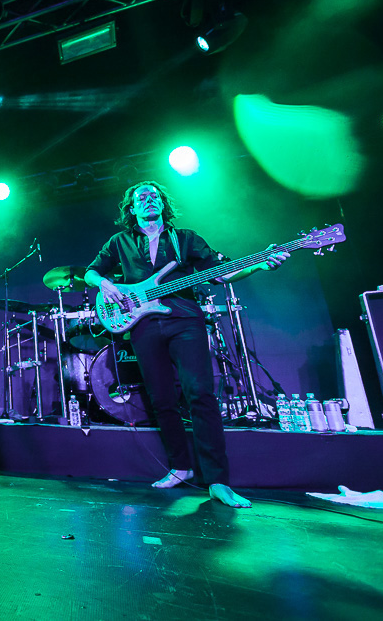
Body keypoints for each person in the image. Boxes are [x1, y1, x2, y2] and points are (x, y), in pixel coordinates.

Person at [84, 181, 288, 508]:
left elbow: (220, 275)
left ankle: (218, 481)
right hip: (143, 326)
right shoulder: (119, 241)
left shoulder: (185, 238)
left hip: (185, 320)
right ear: (132, 208)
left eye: (154, 196)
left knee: (200, 394)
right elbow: (91, 273)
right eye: (141, 198)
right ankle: (180, 467)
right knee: (161, 399)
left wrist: (259, 264)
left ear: (163, 204)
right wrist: (106, 284)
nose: (148, 200)